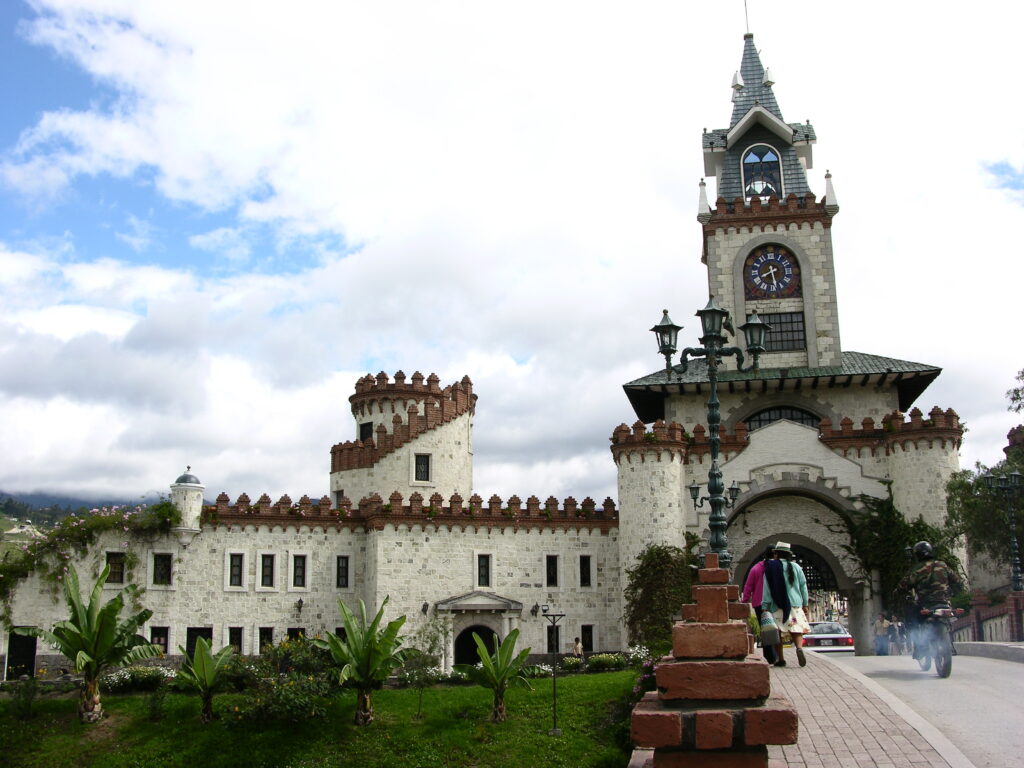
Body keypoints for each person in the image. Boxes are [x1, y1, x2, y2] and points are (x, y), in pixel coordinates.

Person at [898, 541, 964, 658]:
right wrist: (954, 592)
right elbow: (957, 581)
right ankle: (950, 643)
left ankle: (918, 645)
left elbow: (903, 586)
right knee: (949, 618)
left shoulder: (916, 570)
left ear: (917, 555)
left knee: (912, 617)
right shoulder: (942, 565)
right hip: (944, 601)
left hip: (925, 603)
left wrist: (899, 593)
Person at [761, 541, 810, 667]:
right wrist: (805, 603)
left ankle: (781, 659)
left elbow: (766, 588)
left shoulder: (770, 567)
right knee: (796, 628)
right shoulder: (797, 567)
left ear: (776, 554)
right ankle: (799, 648)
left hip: (776, 604)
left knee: (778, 632)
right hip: (795, 603)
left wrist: (765, 606)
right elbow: (803, 586)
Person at [743, 546, 776, 664]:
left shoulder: (756, 568)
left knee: (766, 629)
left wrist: (745, 601)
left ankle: (770, 656)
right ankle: (778, 655)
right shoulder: (777, 567)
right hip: (775, 603)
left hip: (760, 604)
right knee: (777, 628)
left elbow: (748, 586)